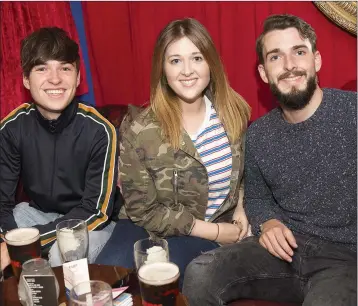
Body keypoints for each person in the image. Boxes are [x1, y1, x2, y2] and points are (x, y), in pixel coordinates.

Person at [183, 14, 357, 306]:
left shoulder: (353, 113)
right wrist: (270, 223)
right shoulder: (259, 135)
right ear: (264, 73)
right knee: (200, 273)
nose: (289, 66)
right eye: (276, 57)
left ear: (316, 60)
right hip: (283, 252)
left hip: (346, 259)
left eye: (298, 52)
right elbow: (258, 197)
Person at [95, 18, 251, 286]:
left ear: (211, 63)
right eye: (175, 60)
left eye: (197, 58)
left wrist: (241, 208)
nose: (187, 70)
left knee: (165, 278)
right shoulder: (140, 128)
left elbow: (248, 173)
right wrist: (213, 232)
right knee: (105, 281)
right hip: (144, 226)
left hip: (202, 232)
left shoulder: (234, 114)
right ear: (162, 69)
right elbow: (143, 211)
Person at [0, 27, 120, 268]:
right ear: (25, 79)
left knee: (61, 252)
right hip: (40, 216)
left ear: (77, 78)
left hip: (93, 225)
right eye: (42, 68)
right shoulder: (12, 128)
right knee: (18, 214)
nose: (55, 79)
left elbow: (95, 212)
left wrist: (20, 246)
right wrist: (10, 238)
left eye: (65, 68)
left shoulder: (100, 130)